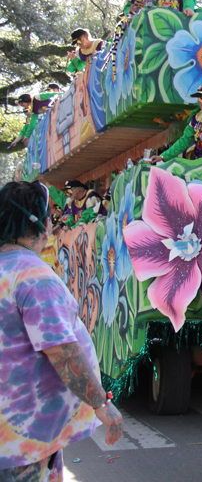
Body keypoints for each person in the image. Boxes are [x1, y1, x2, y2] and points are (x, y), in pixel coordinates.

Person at [0, 180, 123, 481]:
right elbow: (62, 351)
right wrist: (101, 404)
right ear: (40, 224)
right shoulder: (32, 275)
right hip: (24, 443)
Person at [152, 85, 202, 165]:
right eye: (198, 98)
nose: (198, 101)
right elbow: (184, 141)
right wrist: (163, 156)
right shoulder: (196, 118)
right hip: (201, 164)